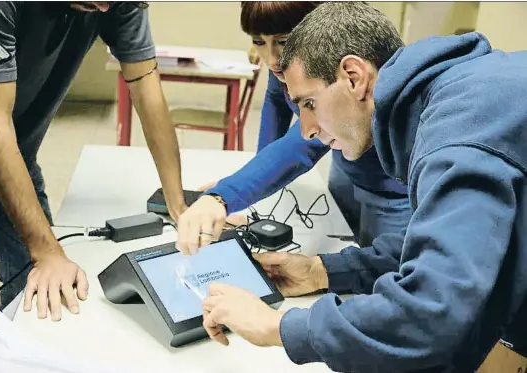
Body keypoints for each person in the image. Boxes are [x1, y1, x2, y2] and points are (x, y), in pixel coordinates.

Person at [200, 2, 527, 372]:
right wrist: (323, 271)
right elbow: (438, 244)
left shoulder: (459, 136)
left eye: (309, 103)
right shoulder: (449, 97)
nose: (307, 129)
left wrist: (276, 326)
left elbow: (431, 312)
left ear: (354, 77)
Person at [0, 2, 186, 320]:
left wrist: (177, 203)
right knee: (44, 261)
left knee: (39, 292)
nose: (104, 6)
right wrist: (46, 252)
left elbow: (145, 83)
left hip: (13, 152)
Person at [178, 1, 412, 254]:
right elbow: (275, 101)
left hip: (392, 191)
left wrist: (226, 195)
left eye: (283, 41)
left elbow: (304, 144)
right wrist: (256, 178)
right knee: (340, 241)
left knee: (384, 268)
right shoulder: (288, 66)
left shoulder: (322, 66)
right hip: (347, 168)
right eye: (259, 42)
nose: (272, 59)